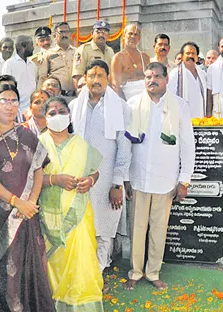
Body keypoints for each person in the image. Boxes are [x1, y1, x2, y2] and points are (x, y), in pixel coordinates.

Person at [0, 84, 54, 311]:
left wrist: (31, 201)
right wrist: (16, 201)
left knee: (25, 267)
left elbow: (38, 169)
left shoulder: (26, 134)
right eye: (4, 100)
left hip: (26, 214)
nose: (10, 106)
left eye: (14, 101)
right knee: (0, 270)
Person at [124, 62, 195, 290]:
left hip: (165, 179)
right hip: (138, 178)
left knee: (158, 229)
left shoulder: (180, 106)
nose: (151, 80)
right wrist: (123, 176)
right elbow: (124, 144)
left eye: (156, 76)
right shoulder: (133, 104)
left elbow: (187, 145)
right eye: (147, 76)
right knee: (137, 229)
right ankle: (135, 271)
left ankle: (153, 272)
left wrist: (184, 180)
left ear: (166, 80)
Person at [38, 96, 104, 311]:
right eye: (52, 113)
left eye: (61, 111)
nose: (58, 116)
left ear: (69, 115)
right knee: (51, 267)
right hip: (48, 219)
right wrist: (54, 180)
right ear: (45, 118)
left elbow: (95, 171)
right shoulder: (38, 144)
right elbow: (29, 180)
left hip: (79, 217)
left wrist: (90, 180)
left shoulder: (81, 144)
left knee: (82, 265)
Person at [71, 59, 132, 289]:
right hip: (80, 177)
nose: (96, 80)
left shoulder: (120, 107)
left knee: (104, 229)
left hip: (106, 177)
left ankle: (97, 278)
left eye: (101, 76)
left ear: (108, 79)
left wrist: (117, 183)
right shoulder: (75, 106)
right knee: (81, 227)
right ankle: (82, 276)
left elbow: (124, 146)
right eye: (92, 75)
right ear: (84, 78)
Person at [111, 23, 151, 101]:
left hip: (146, 99)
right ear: (124, 36)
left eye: (136, 34)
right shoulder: (118, 58)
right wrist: (124, 104)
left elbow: (151, 79)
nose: (133, 36)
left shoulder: (144, 57)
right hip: (127, 99)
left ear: (139, 38)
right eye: (130, 33)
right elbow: (115, 85)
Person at [168, 42, 208, 118]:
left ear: (197, 57)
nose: (190, 56)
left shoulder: (203, 75)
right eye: (188, 53)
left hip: (200, 118)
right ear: (182, 56)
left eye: (193, 54)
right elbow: (170, 96)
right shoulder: (175, 73)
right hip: (182, 118)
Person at [72, 20, 116, 89]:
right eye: (98, 32)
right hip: (90, 91)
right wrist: (80, 94)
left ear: (108, 35)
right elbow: (77, 75)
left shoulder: (110, 51)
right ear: (92, 33)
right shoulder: (84, 49)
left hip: (106, 91)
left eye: (105, 32)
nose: (101, 35)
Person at [38, 22, 77, 96]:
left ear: (70, 34)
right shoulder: (48, 53)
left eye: (66, 32)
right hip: (56, 95)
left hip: (75, 95)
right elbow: (42, 77)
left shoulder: (78, 52)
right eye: (61, 32)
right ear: (55, 35)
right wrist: (40, 95)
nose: (64, 35)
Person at [1, 35, 37, 112]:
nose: (33, 48)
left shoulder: (33, 65)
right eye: (31, 45)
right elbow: (5, 87)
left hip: (32, 108)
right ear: (24, 45)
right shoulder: (9, 64)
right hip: (16, 109)